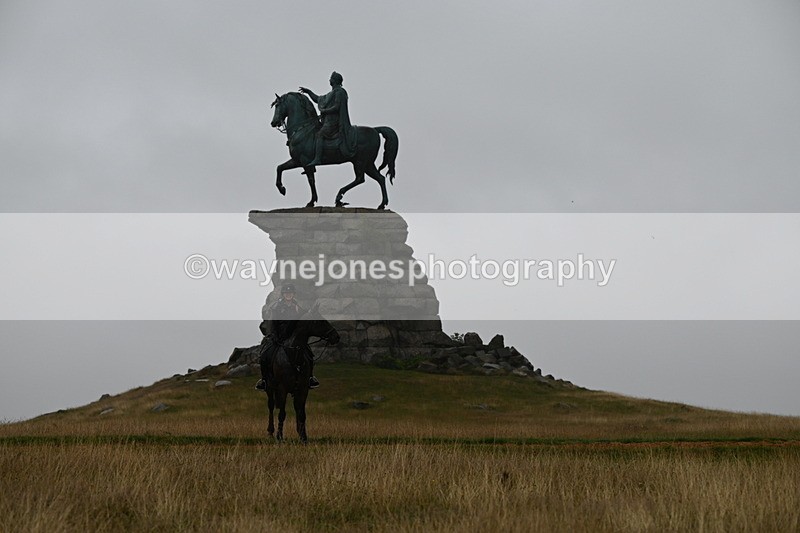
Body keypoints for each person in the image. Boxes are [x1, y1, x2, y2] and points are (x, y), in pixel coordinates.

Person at [255, 283, 320, 391]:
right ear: (283, 294)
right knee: (265, 355)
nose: (288, 295)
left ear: (293, 294)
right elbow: (272, 323)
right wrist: (274, 336)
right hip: (279, 338)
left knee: (309, 354)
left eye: (290, 293)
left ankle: (310, 378)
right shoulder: (276, 307)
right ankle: (264, 380)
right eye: (286, 293)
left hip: (293, 338)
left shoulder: (297, 307)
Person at [299, 71, 358, 166]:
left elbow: (337, 107)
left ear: (334, 81)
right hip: (327, 122)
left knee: (320, 134)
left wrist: (325, 111)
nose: (329, 80)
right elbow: (318, 99)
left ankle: (318, 158)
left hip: (334, 122)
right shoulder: (331, 93)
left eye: (331, 78)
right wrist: (309, 92)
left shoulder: (340, 92)